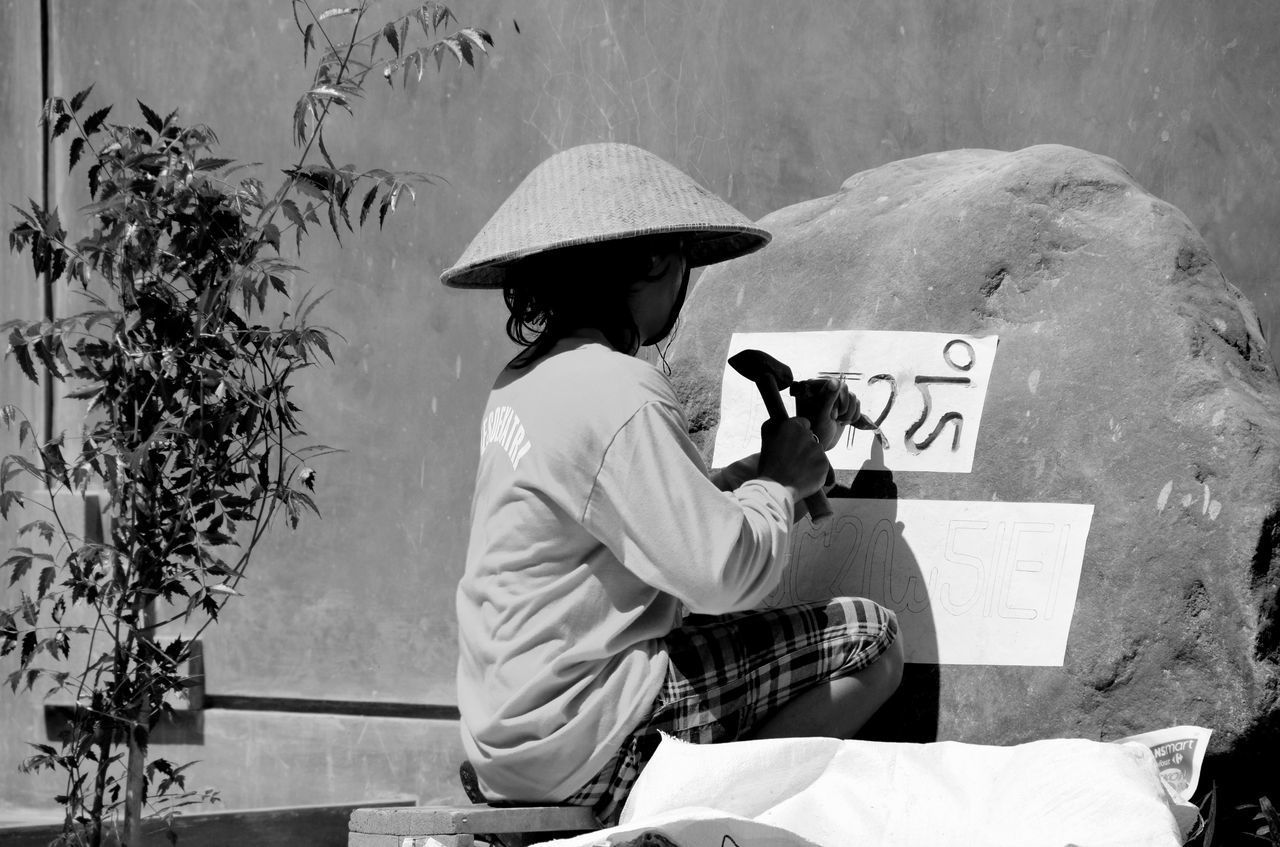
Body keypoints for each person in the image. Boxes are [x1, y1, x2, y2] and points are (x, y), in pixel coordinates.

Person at [441, 143, 903, 825]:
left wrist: (768, 472)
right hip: (591, 742)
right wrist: (778, 483)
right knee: (874, 640)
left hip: (511, 743)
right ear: (656, 262)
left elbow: (648, 520)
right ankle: (704, 827)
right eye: (681, 257)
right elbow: (719, 574)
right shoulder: (621, 390)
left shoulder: (524, 383)